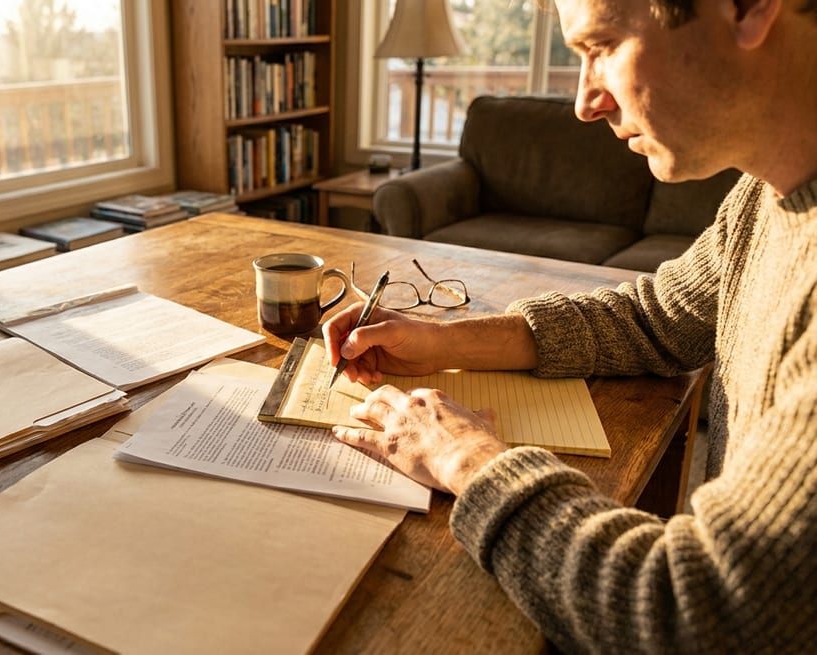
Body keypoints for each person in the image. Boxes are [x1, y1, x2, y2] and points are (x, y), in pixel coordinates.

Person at [322, 0, 817, 651]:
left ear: (747, 8)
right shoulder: (763, 193)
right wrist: (443, 339)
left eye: (603, 45)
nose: (585, 102)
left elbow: (703, 610)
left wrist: (462, 456)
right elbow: (654, 317)